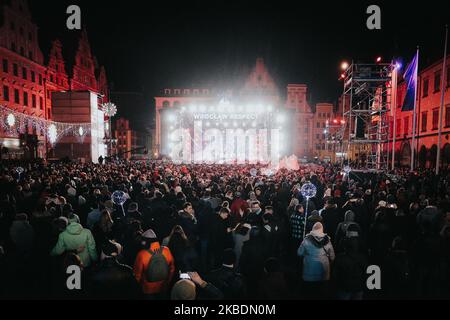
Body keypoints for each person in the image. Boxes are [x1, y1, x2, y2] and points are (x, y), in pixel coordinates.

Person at [133, 229, 175, 299]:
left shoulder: (142, 254)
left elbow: (137, 275)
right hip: (163, 287)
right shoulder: (166, 250)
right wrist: (167, 282)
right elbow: (172, 269)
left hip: (148, 289)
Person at [298, 222, 335, 299]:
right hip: (323, 272)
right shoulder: (327, 240)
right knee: (321, 294)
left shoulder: (307, 239)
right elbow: (332, 256)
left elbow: (299, 253)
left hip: (309, 271)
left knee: (310, 293)